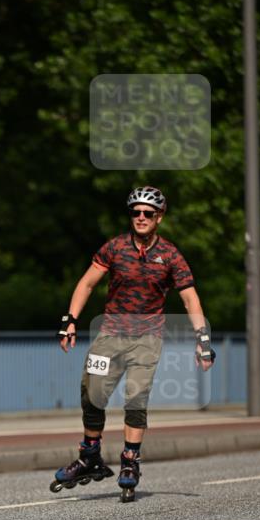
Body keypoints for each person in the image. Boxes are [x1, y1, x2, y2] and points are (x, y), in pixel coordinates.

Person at [54, 186, 215, 501]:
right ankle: (90, 455)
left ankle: (130, 460)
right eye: (135, 212)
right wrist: (69, 320)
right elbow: (87, 283)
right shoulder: (115, 247)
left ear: (159, 217)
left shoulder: (170, 255)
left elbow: (190, 298)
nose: (141, 217)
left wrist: (203, 340)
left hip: (146, 339)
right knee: (92, 392)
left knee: (136, 397)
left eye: (148, 213)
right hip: (110, 336)